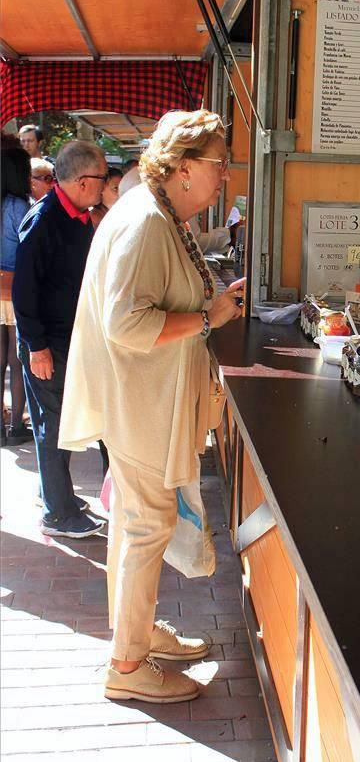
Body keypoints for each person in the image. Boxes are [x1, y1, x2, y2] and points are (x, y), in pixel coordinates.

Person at [59, 109, 244, 704]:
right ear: (185, 168)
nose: (227, 176)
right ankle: (128, 664)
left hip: (141, 400)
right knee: (146, 527)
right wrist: (208, 317)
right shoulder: (145, 221)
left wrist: (207, 303)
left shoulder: (157, 213)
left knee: (137, 526)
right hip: (137, 402)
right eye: (220, 164)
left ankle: (133, 637)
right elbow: (125, 323)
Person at [12, 140, 108, 537]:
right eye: (102, 179)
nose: (105, 186)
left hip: (68, 339)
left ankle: (54, 495)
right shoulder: (45, 219)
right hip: (47, 344)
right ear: (84, 181)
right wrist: (37, 347)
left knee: (59, 423)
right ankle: (57, 513)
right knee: (53, 425)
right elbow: (24, 290)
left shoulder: (79, 214)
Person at [1, 137, 31, 446]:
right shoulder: (18, 205)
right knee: (16, 356)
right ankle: (16, 426)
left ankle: (1, 423)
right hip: (12, 286)